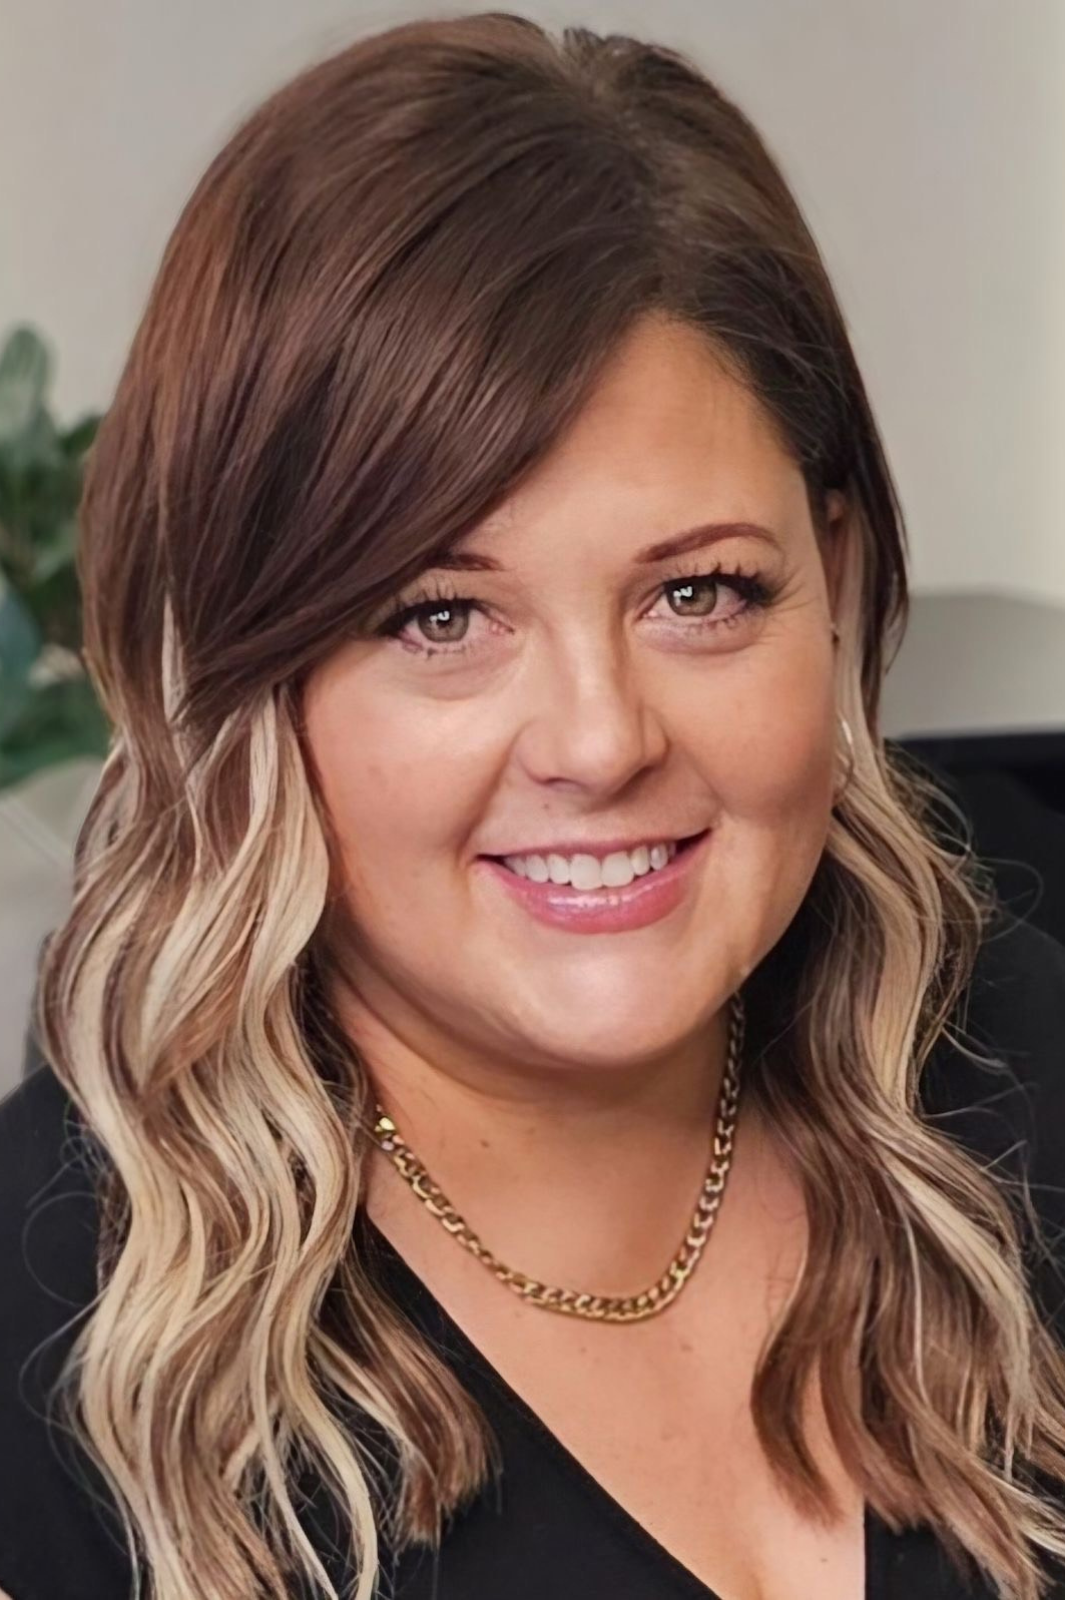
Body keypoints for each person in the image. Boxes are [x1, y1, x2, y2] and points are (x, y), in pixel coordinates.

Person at [2, 13, 1065, 1600]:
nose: (597, 738)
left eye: (700, 591)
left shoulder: (1021, 1054)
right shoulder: (57, 1340)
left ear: (834, 581)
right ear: (248, 668)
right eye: (439, 617)